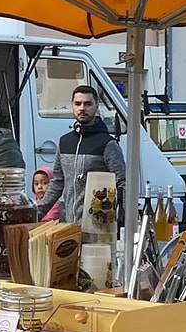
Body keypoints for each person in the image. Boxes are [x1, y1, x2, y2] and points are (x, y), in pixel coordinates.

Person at [38, 84, 125, 226]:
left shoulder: (108, 143)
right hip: (70, 224)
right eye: (78, 104)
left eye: (88, 104)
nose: (82, 108)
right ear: (72, 105)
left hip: (99, 226)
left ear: (96, 106)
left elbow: (122, 183)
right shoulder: (64, 142)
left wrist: (121, 218)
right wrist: (37, 213)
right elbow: (58, 182)